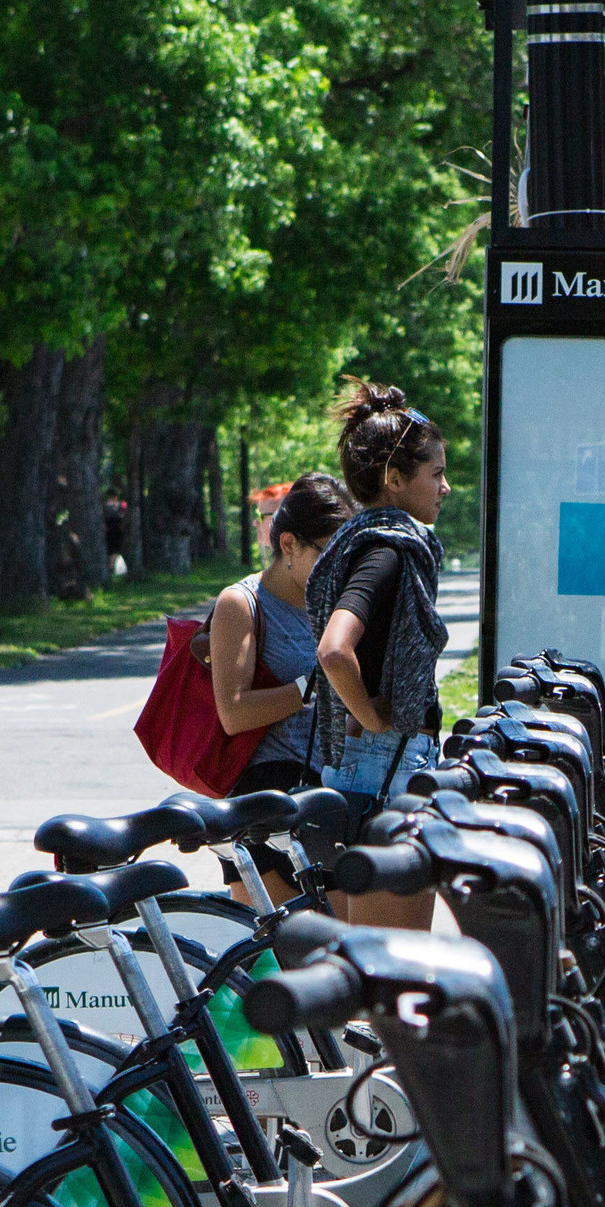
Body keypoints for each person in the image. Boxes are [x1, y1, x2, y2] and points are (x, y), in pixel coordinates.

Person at [307, 383, 454, 930]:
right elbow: (334, 650)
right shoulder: (388, 552)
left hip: (359, 772)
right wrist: (371, 715)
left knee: (362, 970)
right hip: (384, 771)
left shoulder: (362, 540)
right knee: (394, 971)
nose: (445, 486)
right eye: (435, 473)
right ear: (394, 479)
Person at [205, 471, 352, 901]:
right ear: (288, 545)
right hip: (265, 801)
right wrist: (311, 685)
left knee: (341, 950)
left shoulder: (336, 604)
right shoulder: (241, 603)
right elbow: (232, 713)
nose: (338, 568)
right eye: (328, 553)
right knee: (278, 956)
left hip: (330, 791)